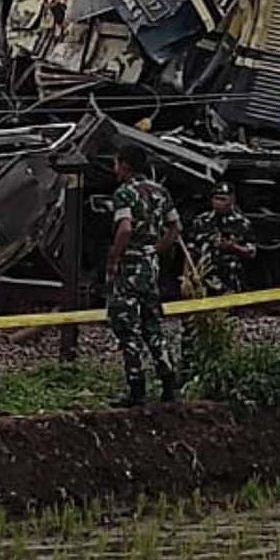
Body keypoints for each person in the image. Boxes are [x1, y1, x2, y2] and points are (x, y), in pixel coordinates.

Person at [106, 144, 181, 407]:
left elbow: (125, 229)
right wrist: (157, 249)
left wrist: (114, 260)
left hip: (129, 267)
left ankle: (136, 388)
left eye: (116, 162)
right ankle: (169, 383)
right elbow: (175, 227)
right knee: (153, 326)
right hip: (151, 267)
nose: (114, 167)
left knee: (127, 327)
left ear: (125, 164)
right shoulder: (160, 192)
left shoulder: (124, 193)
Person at [180, 182, 256, 381]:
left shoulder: (242, 224)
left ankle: (221, 371)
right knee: (191, 327)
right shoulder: (201, 221)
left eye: (223, 199)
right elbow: (190, 251)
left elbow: (251, 252)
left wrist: (233, 248)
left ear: (232, 200)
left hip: (227, 282)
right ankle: (189, 370)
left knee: (223, 327)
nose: (219, 203)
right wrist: (186, 278)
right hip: (203, 281)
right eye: (216, 199)